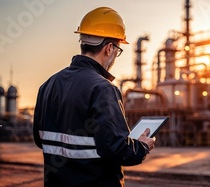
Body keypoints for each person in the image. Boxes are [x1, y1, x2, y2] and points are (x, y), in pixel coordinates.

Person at [33, 7, 155, 187]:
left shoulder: (48, 85)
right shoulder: (103, 89)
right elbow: (118, 150)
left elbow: (39, 139)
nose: (115, 56)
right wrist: (142, 146)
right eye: (118, 50)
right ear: (108, 48)